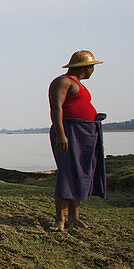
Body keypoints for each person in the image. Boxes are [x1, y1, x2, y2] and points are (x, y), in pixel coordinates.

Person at [48, 50, 107, 230]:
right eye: (92, 67)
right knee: (67, 173)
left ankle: (74, 217)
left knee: (80, 174)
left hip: (85, 133)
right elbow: (56, 107)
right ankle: (60, 219)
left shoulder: (80, 85)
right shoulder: (63, 82)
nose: (92, 70)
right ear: (84, 68)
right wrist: (61, 133)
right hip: (70, 131)